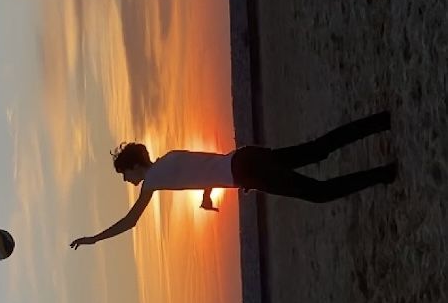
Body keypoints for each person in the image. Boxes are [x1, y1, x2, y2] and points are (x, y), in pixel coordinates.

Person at [69, 111, 396, 249]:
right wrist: (208, 195)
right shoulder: (168, 159)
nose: (127, 181)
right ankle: (379, 122)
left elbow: (130, 222)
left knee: (318, 192)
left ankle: (384, 173)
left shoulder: (153, 181)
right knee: (317, 151)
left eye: (125, 175)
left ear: (134, 166)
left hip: (245, 171)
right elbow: (204, 167)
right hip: (243, 158)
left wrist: (93, 239)